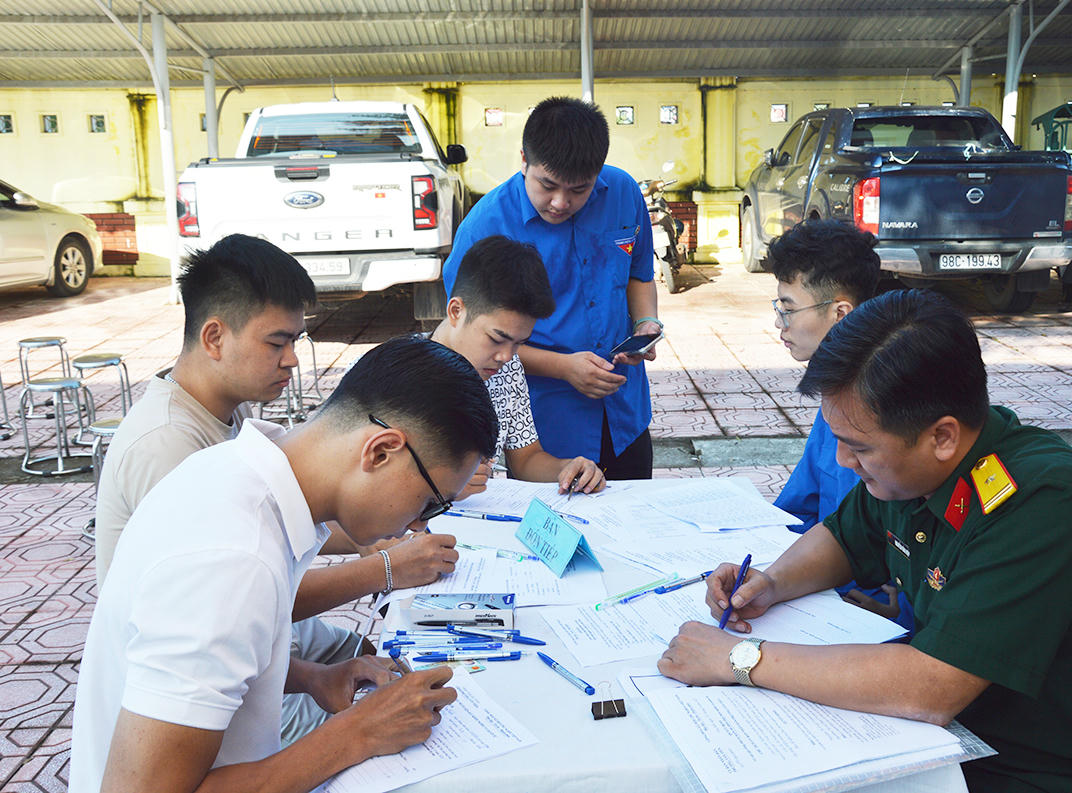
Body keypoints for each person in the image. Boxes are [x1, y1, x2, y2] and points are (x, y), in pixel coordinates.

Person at [659, 289, 1072, 793]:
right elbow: (845, 538)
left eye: (857, 447)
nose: (844, 462)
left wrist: (740, 660)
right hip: (979, 741)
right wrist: (770, 582)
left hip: (1068, 772)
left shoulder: (1044, 500)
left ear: (942, 436)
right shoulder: (911, 472)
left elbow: (930, 688)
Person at [70, 335, 498, 793]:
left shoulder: (235, 472)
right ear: (380, 451)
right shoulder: (233, 557)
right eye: (431, 502)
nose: (417, 523)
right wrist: (360, 732)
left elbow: (228, 652)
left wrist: (314, 677)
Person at [92, 234, 460, 744]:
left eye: (296, 342)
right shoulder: (169, 449)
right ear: (214, 337)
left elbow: (283, 535)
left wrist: (314, 675)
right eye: (276, 342)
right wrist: (386, 567)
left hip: (235, 643)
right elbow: (247, 596)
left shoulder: (226, 412)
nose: (291, 360)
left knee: (368, 660)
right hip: (168, 693)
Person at [443, 96, 659, 480]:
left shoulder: (624, 192)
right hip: (545, 423)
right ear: (523, 159)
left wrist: (645, 323)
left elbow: (638, 274)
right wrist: (562, 367)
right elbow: (469, 339)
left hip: (624, 408)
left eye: (579, 189)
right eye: (547, 185)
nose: (561, 202)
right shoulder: (485, 228)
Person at [766, 220, 911, 630]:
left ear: (840, 312)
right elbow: (797, 511)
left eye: (788, 309)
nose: (780, 323)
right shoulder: (833, 401)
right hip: (825, 592)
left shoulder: (895, 401)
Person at [431, 234, 606, 496]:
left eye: (518, 343)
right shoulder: (389, 374)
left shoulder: (508, 370)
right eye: (496, 339)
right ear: (456, 311)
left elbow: (526, 459)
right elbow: (355, 481)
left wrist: (568, 469)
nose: (505, 356)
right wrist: (434, 484)